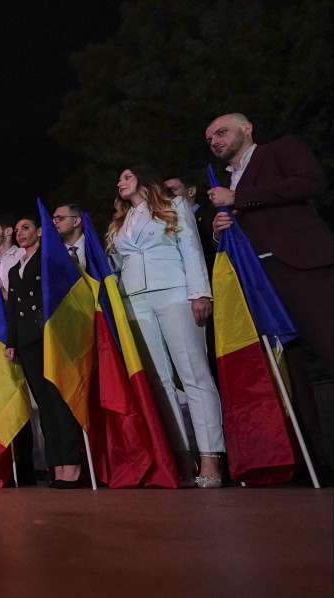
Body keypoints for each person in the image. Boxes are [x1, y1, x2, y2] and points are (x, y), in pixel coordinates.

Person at [107, 166, 224, 488]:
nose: (121, 182)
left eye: (127, 176)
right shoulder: (119, 222)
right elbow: (117, 268)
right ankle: (181, 455)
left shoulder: (174, 207)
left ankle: (211, 456)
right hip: (134, 302)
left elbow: (191, 250)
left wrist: (200, 292)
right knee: (158, 382)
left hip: (175, 294)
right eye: (120, 179)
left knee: (194, 374)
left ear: (145, 180)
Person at [204, 113, 334, 377]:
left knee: (327, 342)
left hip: (301, 266)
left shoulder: (279, 149)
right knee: (287, 372)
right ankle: (305, 420)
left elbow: (310, 182)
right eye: (209, 140)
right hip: (259, 280)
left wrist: (238, 197)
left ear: (247, 128)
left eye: (221, 132)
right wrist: (220, 231)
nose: (214, 141)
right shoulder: (226, 183)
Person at [4, 217, 84, 488]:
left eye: (25, 227)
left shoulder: (50, 260)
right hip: (27, 341)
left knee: (59, 398)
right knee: (45, 405)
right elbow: (13, 310)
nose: (20, 233)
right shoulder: (15, 270)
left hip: (50, 335)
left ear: (40, 232)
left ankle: (72, 464)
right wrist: (11, 341)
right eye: (17, 230)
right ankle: (56, 463)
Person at [0, 215, 36, 485]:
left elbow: (22, 294)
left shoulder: (20, 257)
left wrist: (3, 292)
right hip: (2, 339)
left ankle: (32, 465)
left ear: (7, 231)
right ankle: (13, 466)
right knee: (10, 396)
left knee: (32, 398)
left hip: (25, 332)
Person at [164, 172, 215, 270]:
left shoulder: (210, 216)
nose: (166, 196)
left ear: (191, 191)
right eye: (163, 192)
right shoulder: (164, 224)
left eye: (171, 190)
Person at [51, 204, 87, 271]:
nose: (53, 222)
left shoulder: (99, 247)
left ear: (76, 221)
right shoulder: (51, 252)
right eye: (53, 219)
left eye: (59, 218)